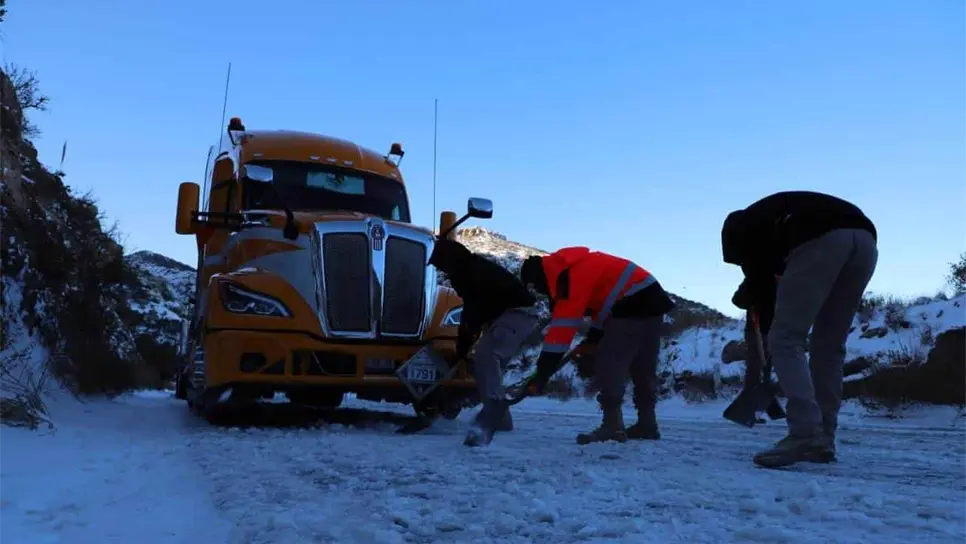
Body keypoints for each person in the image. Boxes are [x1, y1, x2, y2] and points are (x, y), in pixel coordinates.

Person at [721, 190, 878, 468]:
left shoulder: (746, 233)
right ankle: (824, 438)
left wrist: (771, 336)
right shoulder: (772, 218)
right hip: (865, 240)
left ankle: (805, 432)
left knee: (785, 340)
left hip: (820, 239)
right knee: (829, 345)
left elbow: (762, 286)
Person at [519, 247, 675, 445]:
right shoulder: (577, 266)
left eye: (536, 288)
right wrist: (592, 339)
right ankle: (647, 424)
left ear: (539, 278)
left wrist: (543, 371)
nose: (541, 292)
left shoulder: (568, 278)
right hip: (652, 301)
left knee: (610, 363)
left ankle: (612, 426)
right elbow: (602, 310)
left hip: (630, 305)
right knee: (642, 366)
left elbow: (562, 330)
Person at [427, 238, 540, 447]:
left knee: (486, 354)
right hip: (500, 317)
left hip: (518, 314)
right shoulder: (463, 273)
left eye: (440, 264)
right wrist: (464, 342)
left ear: (450, 260)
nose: (439, 269)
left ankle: (494, 411)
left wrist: (465, 341)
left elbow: (473, 311)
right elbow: (472, 311)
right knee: (485, 365)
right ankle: (501, 418)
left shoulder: (473, 273)